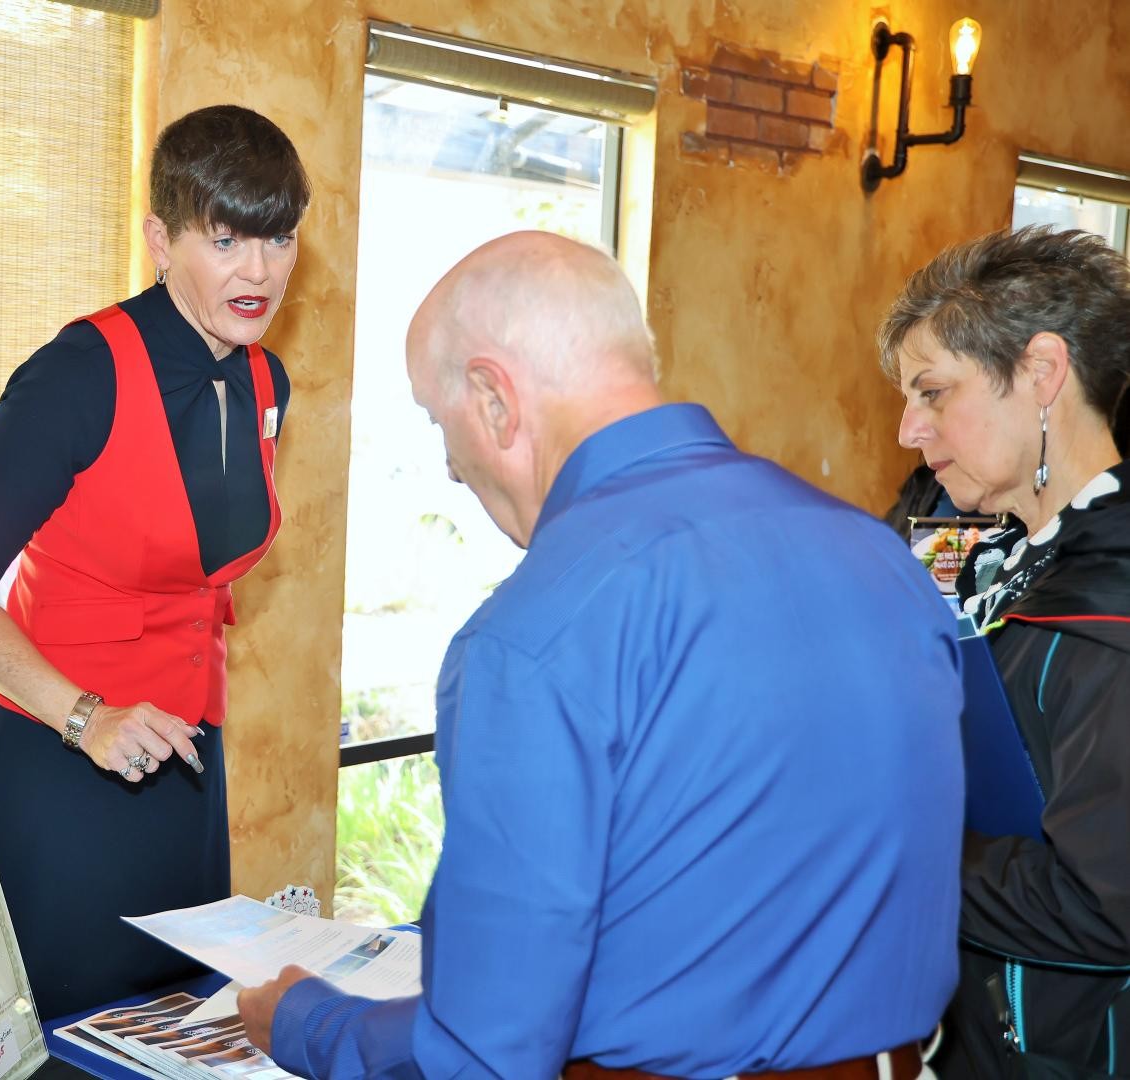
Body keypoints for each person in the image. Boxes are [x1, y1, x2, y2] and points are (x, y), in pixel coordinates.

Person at [237, 231, 966, 1079]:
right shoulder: (882, 556)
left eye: (440, 422)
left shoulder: (539, 631)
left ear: (494, 398)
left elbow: (485, 1053)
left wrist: (311, 1024)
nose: (451, 468)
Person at [0, 104, 309, 1029]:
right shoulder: (80, 372)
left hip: (184, 770)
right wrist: (85, 717)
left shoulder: (265, 380)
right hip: (59, 769)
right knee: (48, 1041)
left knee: (172, 1028)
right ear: (162, 241)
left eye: (278, 238)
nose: (259, 271)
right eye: (226, 239)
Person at [881, 225, 1130, 1079]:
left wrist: (894, 847)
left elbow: (1106, 904)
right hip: (964, 1022)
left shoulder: (1111, 604)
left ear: (1042, 372)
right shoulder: (970, 545)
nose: (908, 429)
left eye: (933, 392)